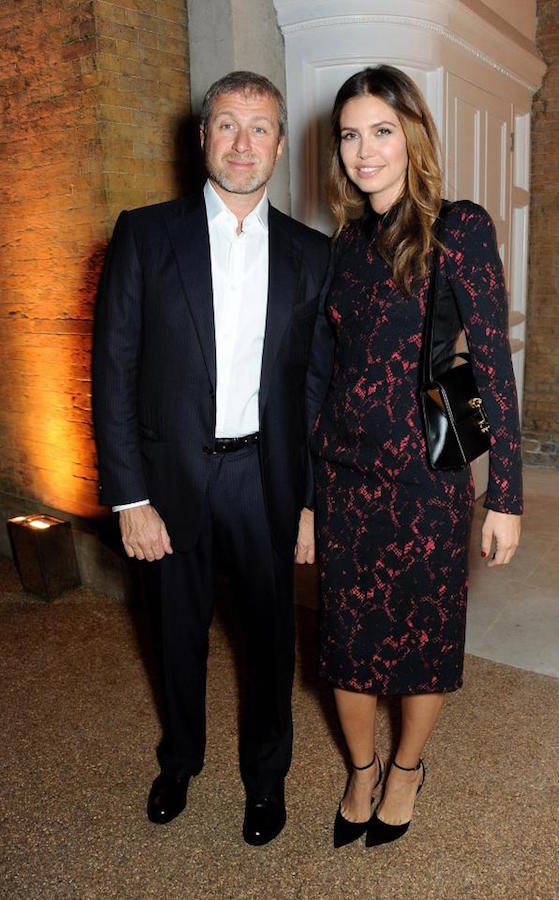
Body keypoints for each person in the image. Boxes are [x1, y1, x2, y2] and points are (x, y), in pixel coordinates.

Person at [92, 71, 329, 846]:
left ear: (280, 145)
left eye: (260, 128)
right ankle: (179, 761)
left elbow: (317, 389)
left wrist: (311, 502)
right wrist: (129, 498)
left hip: (266, 480)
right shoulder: (144, 234)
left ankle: (267, 780)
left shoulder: (312, 254)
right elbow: (113, 370)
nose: (242, 143)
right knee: (174, 637)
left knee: (270, 645)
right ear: (202, 139)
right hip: (168, 483)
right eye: (226, 124)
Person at [309, 65, 523, 848]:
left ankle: (406, 768)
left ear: (414, 138)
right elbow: (325, 372)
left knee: (424, 641)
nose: (364, 151)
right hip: (344, 477)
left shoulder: (458, 227)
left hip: (428, 476)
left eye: (382, 131)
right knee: (347, 643)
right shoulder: (342, 243)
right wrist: (307, 495)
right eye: (350, 135)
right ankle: (361, 768)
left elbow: (491, 363)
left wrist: (506, 497)